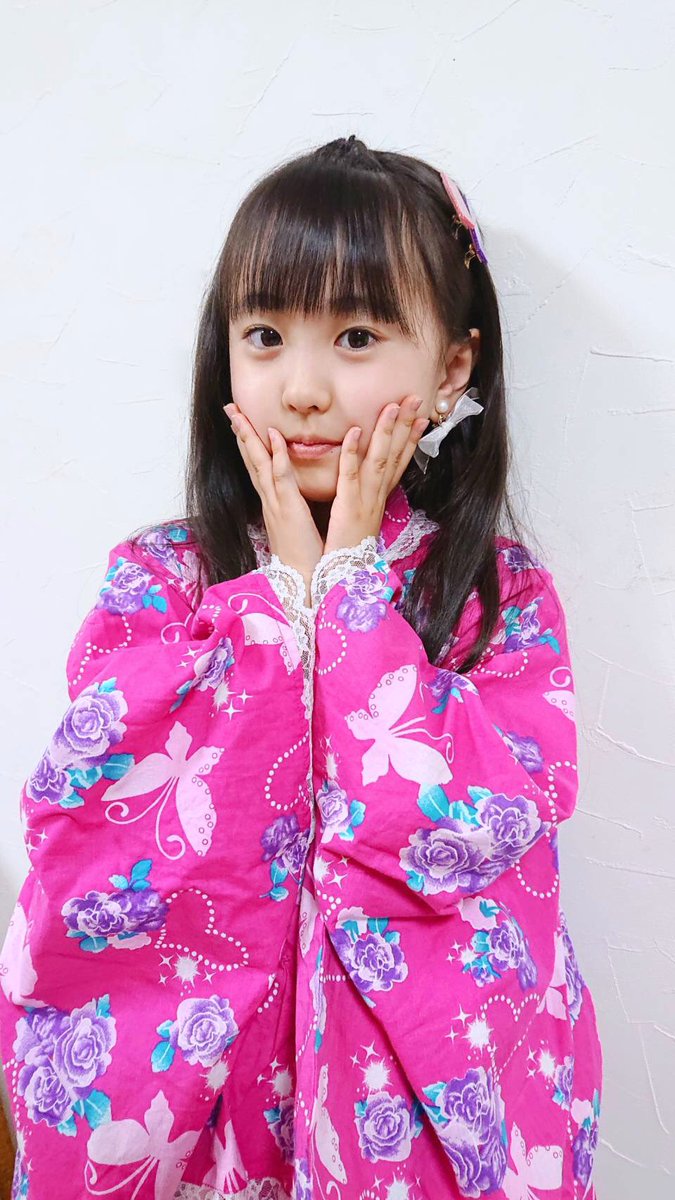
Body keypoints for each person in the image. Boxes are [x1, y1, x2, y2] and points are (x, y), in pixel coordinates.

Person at [0, 135, 603, 1200]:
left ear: (452, 367)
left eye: (357, 336)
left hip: (400, 1106)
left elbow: (483, 838)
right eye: (266, 335)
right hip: (214, 1104)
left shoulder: (498, 598)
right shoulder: (157, 581)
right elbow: (101, 836)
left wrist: (353, 597)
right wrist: (277, 599)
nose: (305, 389)